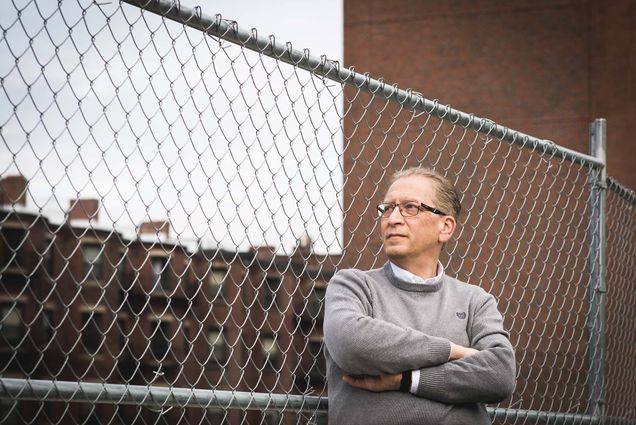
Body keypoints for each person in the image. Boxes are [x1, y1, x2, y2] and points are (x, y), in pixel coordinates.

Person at [323, 167, 516, 424]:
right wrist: (453, 351)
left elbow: (500, 374)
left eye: (410, 207)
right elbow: (352, 344)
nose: (393, 219)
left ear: (445, 227)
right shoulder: (353, 285)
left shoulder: (475, 300)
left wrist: (405, 380)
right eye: (388, 208)